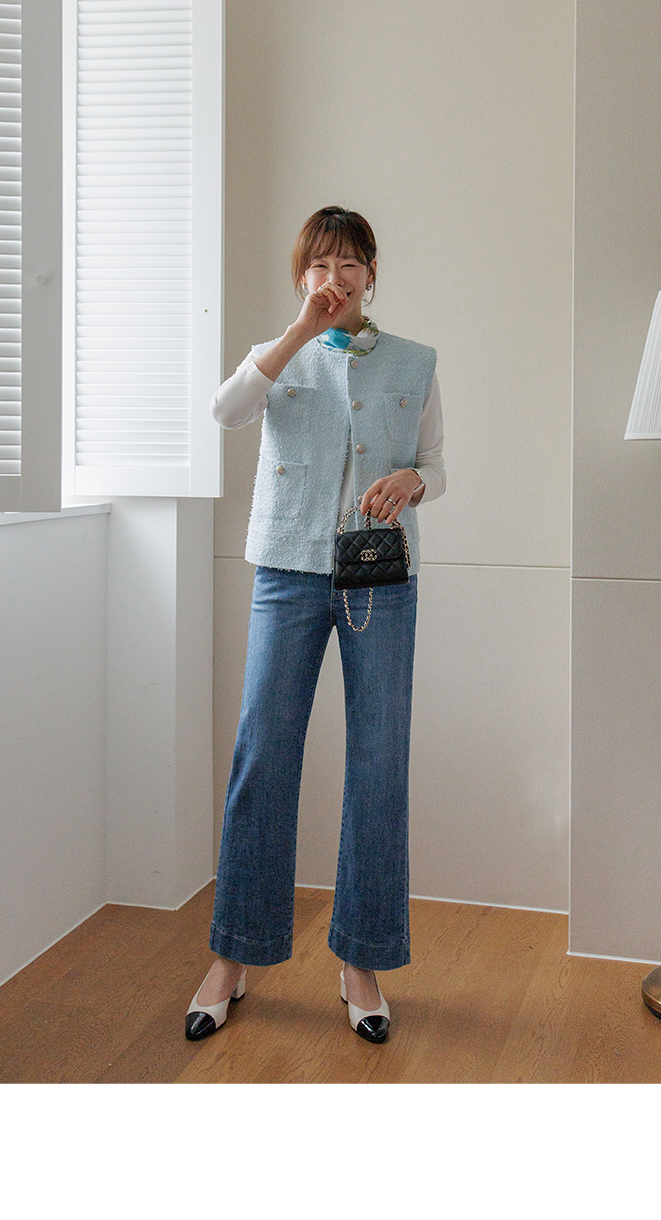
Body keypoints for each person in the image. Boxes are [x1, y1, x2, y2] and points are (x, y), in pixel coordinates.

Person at [185, 206, 446, 1044]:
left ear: (372, 272)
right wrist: (300, 330)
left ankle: (360, 963)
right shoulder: (278, 354)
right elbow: (226, 411)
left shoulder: (415, 360)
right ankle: (233, 955)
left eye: (349, 264)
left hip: (380, 577)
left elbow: (435, 465)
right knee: (263, 754)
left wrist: (412, 480)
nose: (335, 279)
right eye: (320, 265)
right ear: (302, 275)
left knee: (378, 764)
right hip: (286, 574)